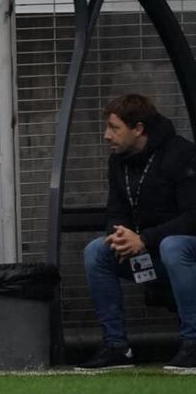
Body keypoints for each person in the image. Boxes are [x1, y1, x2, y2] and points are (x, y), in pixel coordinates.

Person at [77, 94, 196, 371]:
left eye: (114, 128)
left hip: (184, 256)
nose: (107, 136)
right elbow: (115, 211)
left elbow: (194, 216)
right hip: (152, 258)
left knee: (173, 246)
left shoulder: (183, 154)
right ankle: (116, 347)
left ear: (138, 128)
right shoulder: (118, 162)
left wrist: (143, 239)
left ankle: (193, 343)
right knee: (97, 250)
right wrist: (119, 236)